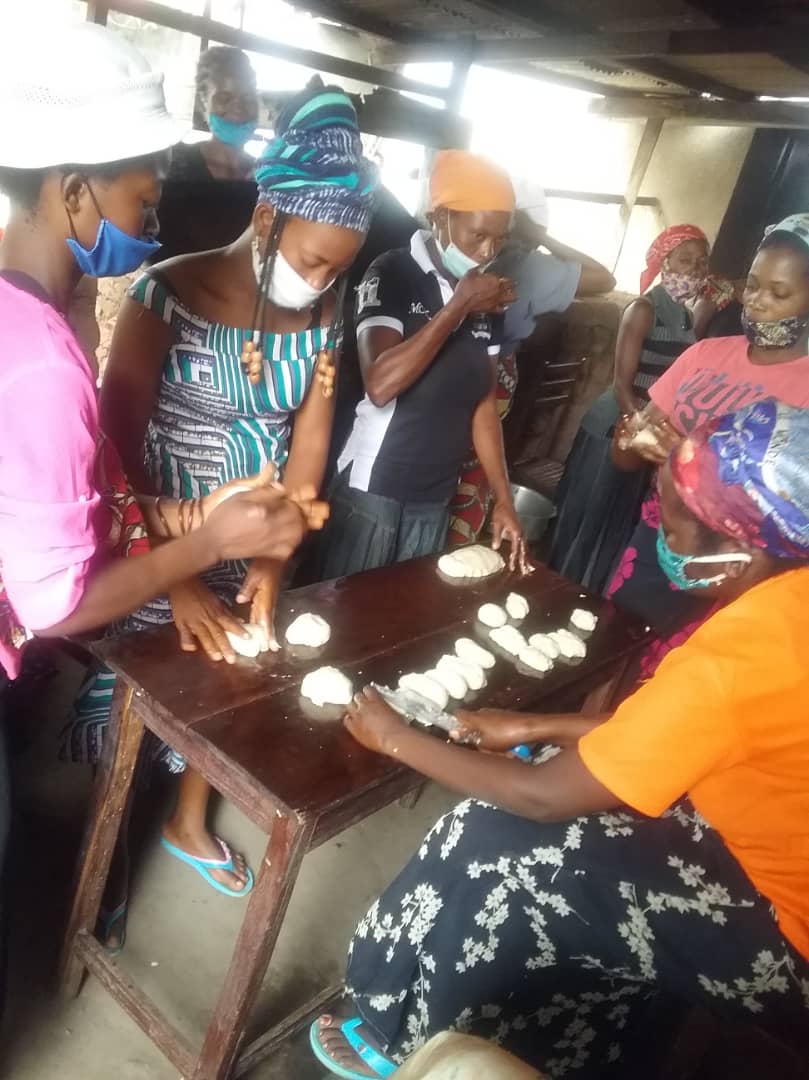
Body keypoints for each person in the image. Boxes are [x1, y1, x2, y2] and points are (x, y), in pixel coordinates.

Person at [310, 398, 809, 1079]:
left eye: (670, 522)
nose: (659, 533)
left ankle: (405, 1038)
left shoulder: (738, 657)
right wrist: (533, 724)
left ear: (738, 555)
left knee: (498, 852)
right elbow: (688, 734)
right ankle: (563, 1045)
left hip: (784, 936)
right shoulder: (787, 600)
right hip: (761, 835)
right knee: (531, 791)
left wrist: (394, 736)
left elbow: (544, 797)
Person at [0, 22, 325, 946]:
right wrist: (209, 545)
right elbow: (58, 604)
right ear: (72, 191)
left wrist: (183, 514)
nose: (152, 223)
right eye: (142, 199)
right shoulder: (45, 361)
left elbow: (45, 499)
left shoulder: (23, 311)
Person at [74, 83, 377, 929]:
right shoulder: (165, 294)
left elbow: (308, 449)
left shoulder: (322, 317)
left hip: (252, 536)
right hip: (158, 536)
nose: (321, 279)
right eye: (312, 259)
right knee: (141, 695)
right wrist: (173, 577)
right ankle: (103, 863)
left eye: (338, 268)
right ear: (268, 217)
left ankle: (186, 821)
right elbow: (116, 450)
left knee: (231, 683)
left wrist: (274, 562)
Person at [607, 213, 809, 676]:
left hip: (734, 569)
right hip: (658, 538)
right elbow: (623, 460)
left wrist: (689, 461)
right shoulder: (705, 356)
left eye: (779, 293)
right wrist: (629, 439)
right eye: (752, 285)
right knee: (613, 647)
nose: (756, 301)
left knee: (674, 677)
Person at [320, 150, 528, 579]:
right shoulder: (393, 272)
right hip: (375, 488)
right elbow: (380, 383)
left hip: (435, 495)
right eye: (478, 235)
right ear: (441, 217)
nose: (487, 252)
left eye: (499, 239)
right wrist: (458, 307)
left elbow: (483, 407)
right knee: (349, 606)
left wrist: (504, 500)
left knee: (406, 607)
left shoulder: (486, 299)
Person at [448, 178, 616, 546]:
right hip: (491, 378)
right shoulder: (530, 267)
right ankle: (455, 542)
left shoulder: (457, 255)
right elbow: (604, 277)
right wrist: (542, 238)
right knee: (471, 469)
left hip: (463, 376)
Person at [548, 224, 709, 592]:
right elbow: (622, 384)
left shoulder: (685, 316)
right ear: (663, 261)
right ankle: (558, 589)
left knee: (616, 519)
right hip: (616, 427)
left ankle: (589, 592)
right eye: (685, 260)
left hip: (643, 432)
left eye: (701, 262)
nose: (694, 270)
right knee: (589, 518)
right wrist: (641, 434)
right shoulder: (643, 309)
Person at [150, 46, 261, 262]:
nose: (238, 107)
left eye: (248, 97)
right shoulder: (173, 165)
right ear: (203, 103)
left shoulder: (268, 178)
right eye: (225, 97)